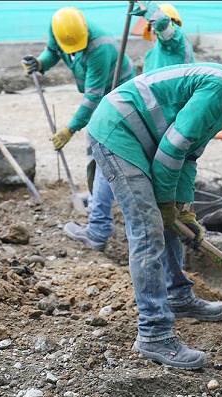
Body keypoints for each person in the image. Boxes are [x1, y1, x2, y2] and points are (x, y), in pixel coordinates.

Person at [86, 47, 222, 369]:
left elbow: (188, 155)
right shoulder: (219, 88)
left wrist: (182, 209)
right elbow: (171, 148)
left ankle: (178, 296)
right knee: (148, 229)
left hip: (143, 138)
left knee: (169, 219)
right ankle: (153, 333)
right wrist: (166, 205)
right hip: (119, 133)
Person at [63, 1, 195, 252]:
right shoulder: (154, 54)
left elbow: (166, 28)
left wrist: (150, 8)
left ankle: (99, 227)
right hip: (155, 125)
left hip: (163, 128)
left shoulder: (177, 44)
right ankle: (100, 225)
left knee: (110, 158)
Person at [21, 6, 135, 252]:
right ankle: (97, 203)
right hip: (99, 98)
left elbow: (93, 98)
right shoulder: (58, 29)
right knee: (94, 153)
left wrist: (69, 128)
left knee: (104, 155)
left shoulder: (100, 47)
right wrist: (41, 63)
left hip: (118, 98)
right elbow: (54, 50)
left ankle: (99, 225)